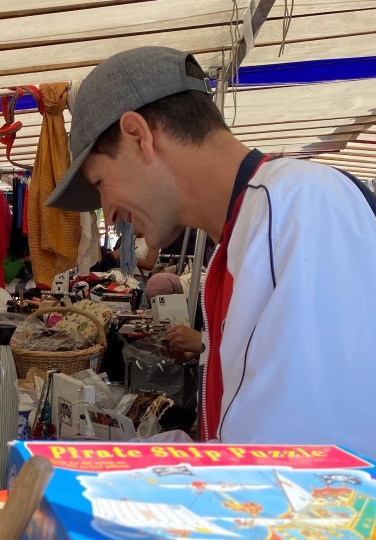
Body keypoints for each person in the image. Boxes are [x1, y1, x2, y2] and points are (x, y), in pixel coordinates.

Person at [46, 46, 376, 457]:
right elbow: (251, 438)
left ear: (138, 137)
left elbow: (313, 457)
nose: (108, 214)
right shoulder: (251, 226)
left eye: (100, 184)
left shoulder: (299, 206)